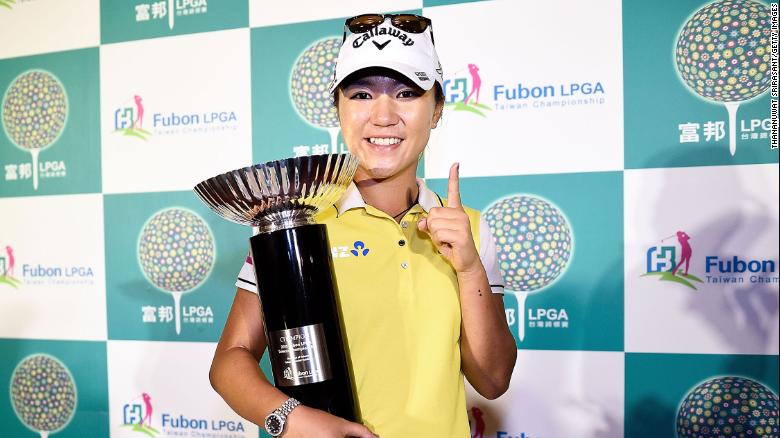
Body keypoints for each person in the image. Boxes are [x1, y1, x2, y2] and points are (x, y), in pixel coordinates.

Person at [209, 13, 516, 438]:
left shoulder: (471, 230)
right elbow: (231, 358)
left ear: (438, 109)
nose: (383, 115)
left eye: (407, 92)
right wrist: (294, 420)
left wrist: (468, 267)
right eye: (362, 94)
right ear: (338, 108)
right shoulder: (295, 221)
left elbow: (493, 380)